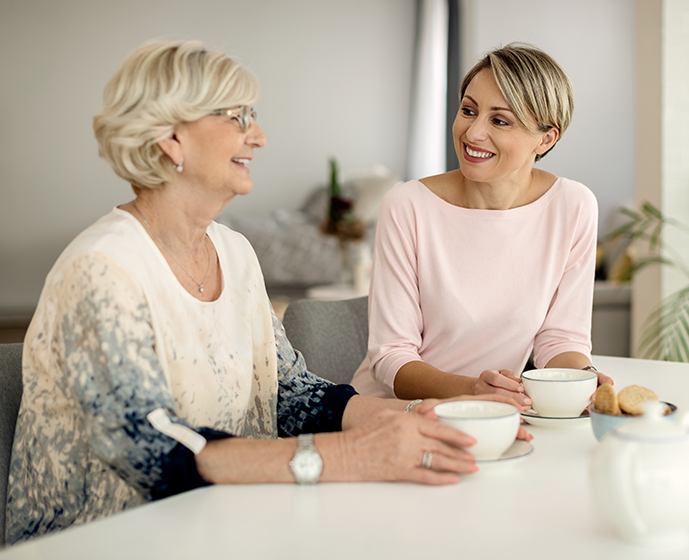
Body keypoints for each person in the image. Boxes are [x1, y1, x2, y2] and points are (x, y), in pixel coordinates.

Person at [5, 40, 528, 546]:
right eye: (237, 117)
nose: (258, 136)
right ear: (170, 139)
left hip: (229, 522)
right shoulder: (103, 270)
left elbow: (289, 393)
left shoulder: (234, 252)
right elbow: (156, 452)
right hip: (109, 540)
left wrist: (433, 417)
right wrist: (350, 456)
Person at [351, 43, 613, 407]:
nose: (472, 133)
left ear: (546, 138)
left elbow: (561, 340)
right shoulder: (407, 205)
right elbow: (390, 358)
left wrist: (575, 381)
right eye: (468, 110)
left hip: (493, 413)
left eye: (499, 120)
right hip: (396, 411)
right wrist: (472, 389)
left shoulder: (573, 206)